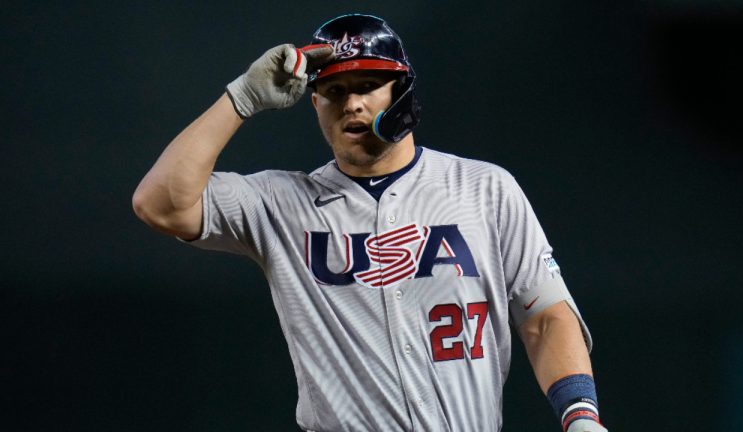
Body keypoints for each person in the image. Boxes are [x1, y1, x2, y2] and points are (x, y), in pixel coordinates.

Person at [133, 13, 608, 432]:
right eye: (334, 91)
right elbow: (159, 204)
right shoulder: (280, 203)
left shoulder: (484, 189)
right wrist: (242, 97)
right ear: (314, 104)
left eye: (367, 86)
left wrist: (580, 414)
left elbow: (545, 316)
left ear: (402, 93)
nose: (351, 104)